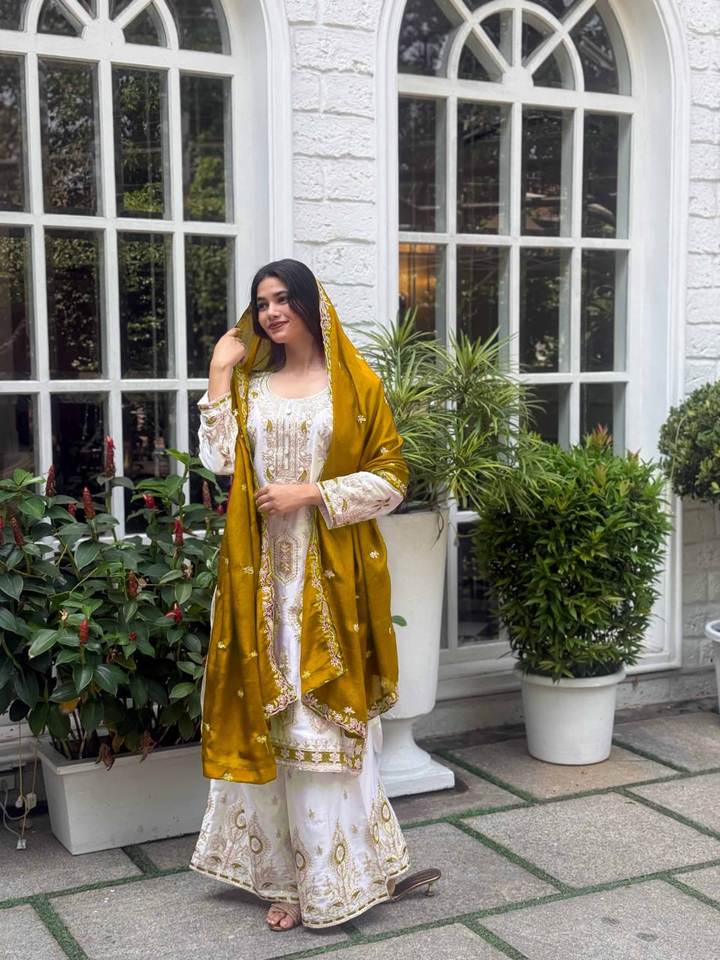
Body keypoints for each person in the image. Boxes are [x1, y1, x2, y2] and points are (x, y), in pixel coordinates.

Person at [189, 259, 440, 931]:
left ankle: (344, 876)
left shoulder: (354, 386)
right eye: (261, 302)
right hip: (259, 583)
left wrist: (310, 493)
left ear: (310, 304)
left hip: (328, 585)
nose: (272, 311)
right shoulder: (251, 387)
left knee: (321, 724)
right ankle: (284, 881)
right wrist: (218, 372)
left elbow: (392, 479)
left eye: (283, 299)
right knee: (273, 724)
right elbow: (218, 461)